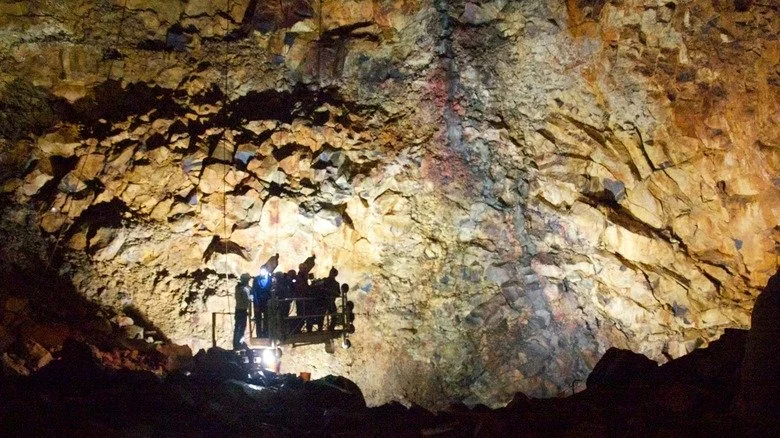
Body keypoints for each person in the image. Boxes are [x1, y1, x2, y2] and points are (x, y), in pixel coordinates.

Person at [233, 274, 251, 350]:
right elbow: (246, 295)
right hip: (240, 310)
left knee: (241, 327)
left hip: (242, 310)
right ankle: (237, 344)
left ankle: (239, 342)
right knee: (239, 327)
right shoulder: (240, 288)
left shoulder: (242, 288)